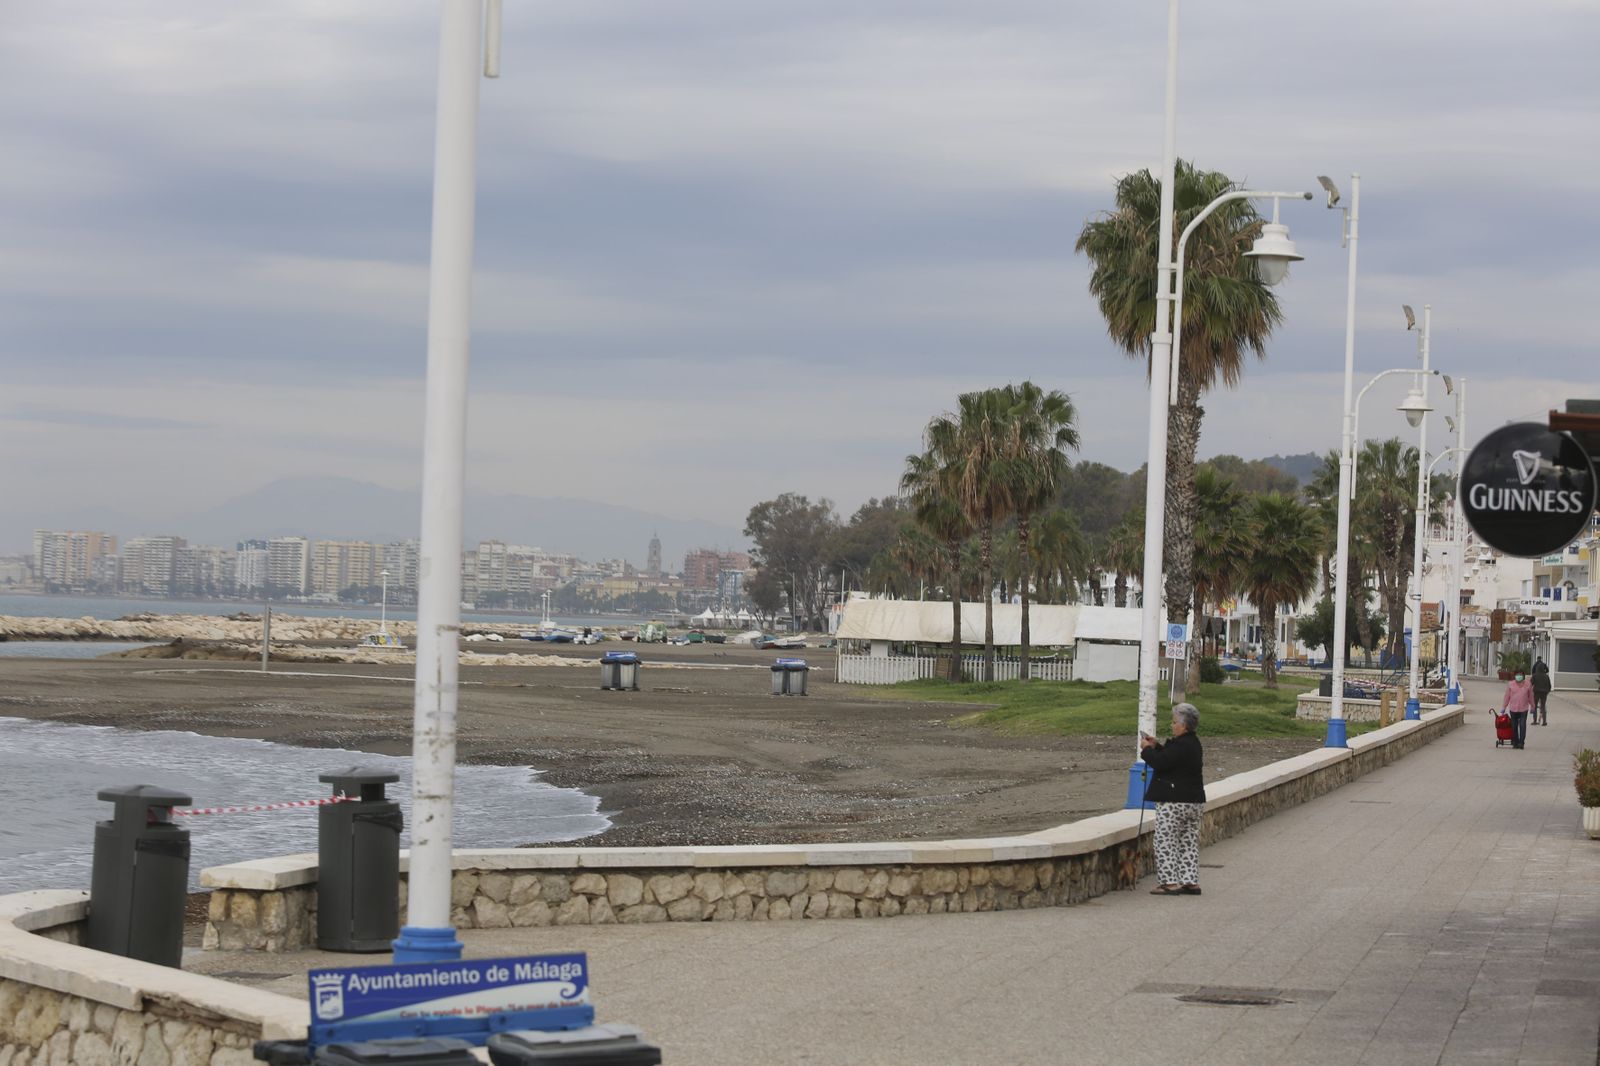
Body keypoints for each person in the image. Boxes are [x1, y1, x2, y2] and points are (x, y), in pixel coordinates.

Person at [1140, 702, 1207, 896]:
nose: (1172, 725)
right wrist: (1156, 746)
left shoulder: (1181, 745)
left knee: (1165, 840)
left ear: (1184, 726)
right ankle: (1189, 881)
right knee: (1188, 840)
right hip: (1194, 801)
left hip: (1174, 801)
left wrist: (1146, 750)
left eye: (1174, 722)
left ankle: (1169, 882)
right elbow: (1171, 759)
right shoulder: (1193, 743)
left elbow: (1162, 763)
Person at [1503, 670, 1535, 749]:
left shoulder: (1528, 684)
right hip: (1513, 709)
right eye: (1517, 675)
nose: (1518, 676)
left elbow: (1531, 696)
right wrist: (1504, 707)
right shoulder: (1511, 684)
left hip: (1523, 709)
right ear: (1514, 676)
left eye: (1520, 675)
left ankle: (1521, 742)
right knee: (1514, 726)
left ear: (1523, 676)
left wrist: (1533, 706)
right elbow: (1507, 696)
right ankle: (1515, 742)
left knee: (1522, 725)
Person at [1531, 657, 1552, 726]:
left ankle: (1534, 721)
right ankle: (1544, 722)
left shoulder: (1535, 675)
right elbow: (1549, 686)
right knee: (1543, 706)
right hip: (1544, 693)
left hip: (1536, 692)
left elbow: (1531, 684)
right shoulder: (1546, 676)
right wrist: (1547, 692)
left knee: (1535, 706)